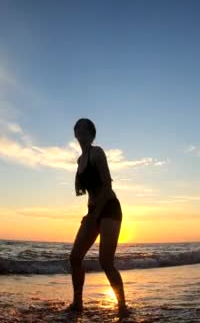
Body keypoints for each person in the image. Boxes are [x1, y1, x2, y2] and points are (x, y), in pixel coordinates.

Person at [64, 118, 130, 317]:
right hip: (93, 211)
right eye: (78, 128)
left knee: (106, 262)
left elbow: (106, 186)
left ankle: (122, 306)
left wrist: (96, 214)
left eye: (85, 128)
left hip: (109, 209)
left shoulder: (97, 152)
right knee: (75, 257)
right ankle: (78, 302)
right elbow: (86, 190)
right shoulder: (79, 160)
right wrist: (89, 211)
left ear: (92, 134)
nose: (81, 131)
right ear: (75, 133)